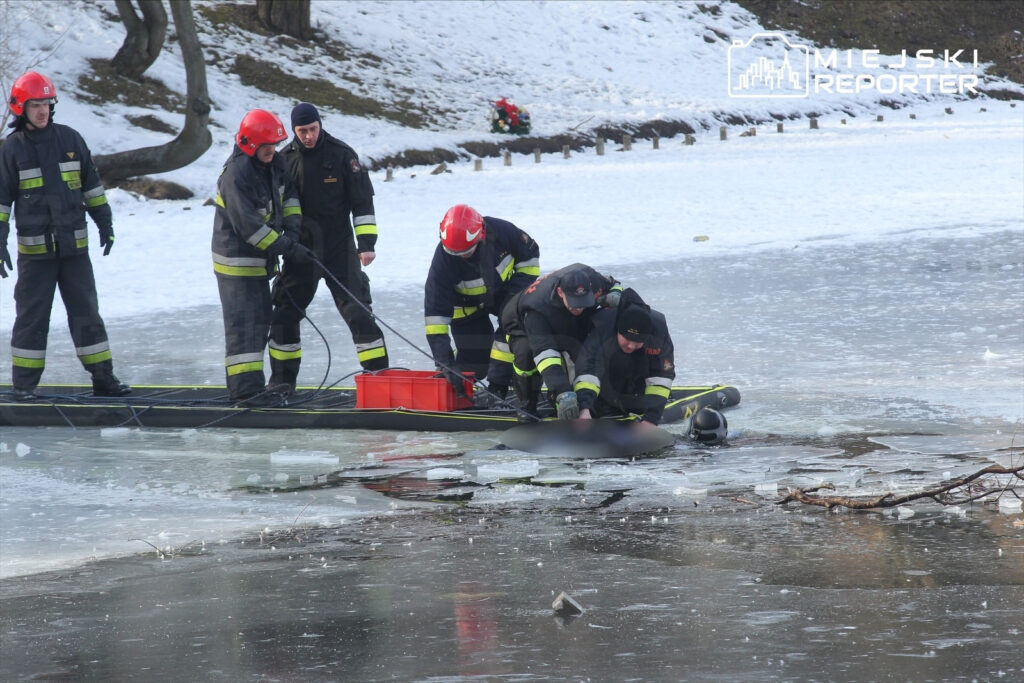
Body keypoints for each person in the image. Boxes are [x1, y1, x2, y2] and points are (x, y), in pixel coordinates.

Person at [0, 71, 129, 401]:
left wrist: (105, 223)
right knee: (32, 319)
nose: (43, 111)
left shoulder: (71, 140)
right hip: (36, 257)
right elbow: (1, 203)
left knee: (87, 316)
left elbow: (93, 188)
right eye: (35, 105)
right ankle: (24, 387)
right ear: (20, 108)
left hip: (75, 251)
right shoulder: (10, 150)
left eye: (47, 104)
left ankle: (104, 379)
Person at [270, 102, 388, 391]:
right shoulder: (283, 160)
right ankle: (281, 385)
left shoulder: (342, 155)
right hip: (301, 251)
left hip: (339, 248)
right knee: (285, 314)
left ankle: (380, 380)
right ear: (294, 131)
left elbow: (363, 203)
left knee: (359, 313)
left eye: (312, 129)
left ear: (320, 124)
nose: (308, 136)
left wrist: (367, 244)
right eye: (302, 131)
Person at [212, 109, 313, 405]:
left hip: (260, 262)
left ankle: (253, 388)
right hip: (236, 262)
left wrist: (292, 234)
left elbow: (290, 198)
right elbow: (250, 230)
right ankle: (245, 391)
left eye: (275, 144)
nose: (273, 150)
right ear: (250, 144)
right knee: (244, 326)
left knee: (259, 323)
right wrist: (287, 248)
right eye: (267, 146)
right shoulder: (235, 176)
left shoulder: (274, 164)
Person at [424, 204, 539, 398]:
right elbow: (436, 318)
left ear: (481, 234)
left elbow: (530, 261)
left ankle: (499, 385)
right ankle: (459, 386)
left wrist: (514, 297)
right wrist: (445, 363)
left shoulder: (503, 232)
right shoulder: (442, 262)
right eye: (455, 253)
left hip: (505, 293)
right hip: (466, 308)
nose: (461, 256)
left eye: (466, 251)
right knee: (475, 366)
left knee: (512, 327)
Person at [500, 262, 621, 419]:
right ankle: (527, 405)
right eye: (574, 303)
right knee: (526, 355)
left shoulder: (593, 279)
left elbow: (615, 285)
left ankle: (597, 400)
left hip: (565, 319)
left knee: (587, 356)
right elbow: (546, 356)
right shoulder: (536, 310)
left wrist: (616, 295)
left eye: (583, 302)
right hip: (520, 325)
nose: (579, 308)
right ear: (560, 292)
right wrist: (562, 393)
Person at [572, 295, 676, 427]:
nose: (631, 346)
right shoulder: (602, 327)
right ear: (618, 332)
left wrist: (651, 419)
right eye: (627, 339)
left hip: (638, 379)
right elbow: (588, 370)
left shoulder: (658, 332)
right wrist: (584, 409)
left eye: (637, 342)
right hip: (607, 375)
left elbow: (661, 377)